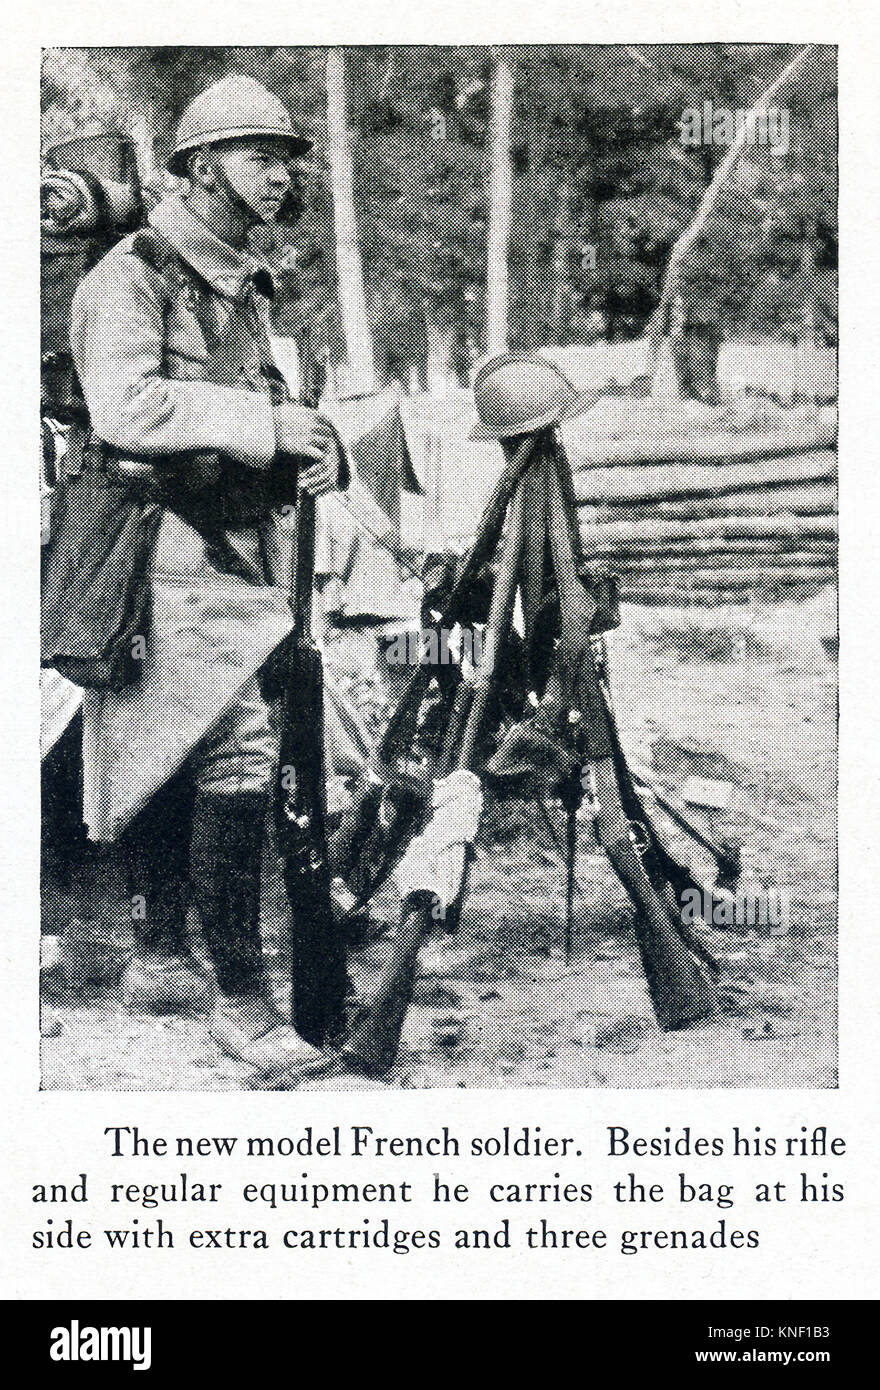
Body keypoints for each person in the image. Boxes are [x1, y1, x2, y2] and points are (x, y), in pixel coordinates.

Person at [69, 74, 349, 1077]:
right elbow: (125, 408)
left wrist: (310, 448)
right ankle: (241, 1000)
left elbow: (264, 405)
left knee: (182, 746)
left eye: (285, 161)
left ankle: (159, 959)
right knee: (232, 752)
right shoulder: (130, 276)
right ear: (197, 168)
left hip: (234, 556)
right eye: (257, 157)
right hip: (159, 555)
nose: (279, 177)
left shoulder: (242, 285)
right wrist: (263, 425)